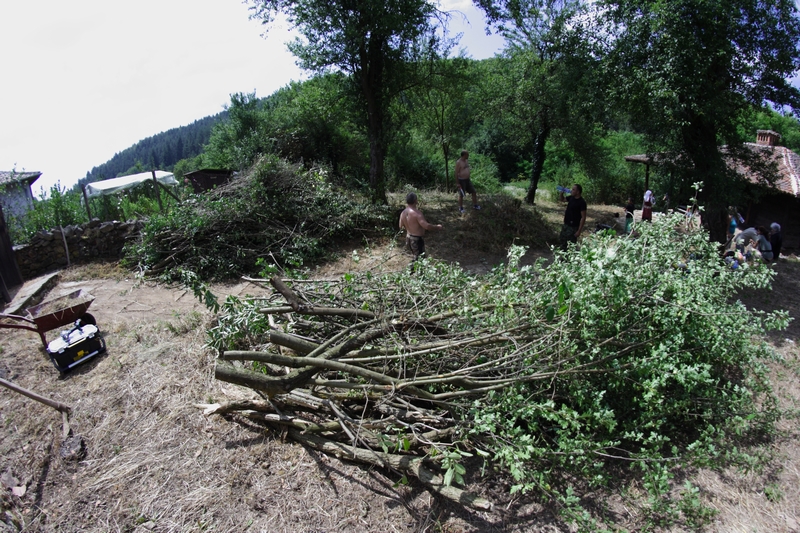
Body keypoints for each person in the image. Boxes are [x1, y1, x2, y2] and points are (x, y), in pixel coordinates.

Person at [399, 192, 443, 262]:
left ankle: (411, 271)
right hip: (416, 240)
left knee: (415, 257)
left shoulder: (403, 213)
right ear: (415, 200)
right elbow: (427, 226)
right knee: (420, 260)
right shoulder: (417, 213)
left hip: (408, 238)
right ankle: (411, 272)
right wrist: (437, 227)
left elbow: (400, 226)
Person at [559, 184, 587, 251]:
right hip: (566, 225)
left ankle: (569, 260)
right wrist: (561, 193)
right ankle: (562, 259)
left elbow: (583, 217)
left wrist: (579, 231)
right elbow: (562, 199)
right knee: (562, 242)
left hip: (573, 227)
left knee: (570, 246)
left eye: (573, 189)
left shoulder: (582, 202)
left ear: (578, 192)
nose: (571, 191)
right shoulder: (571, 198)